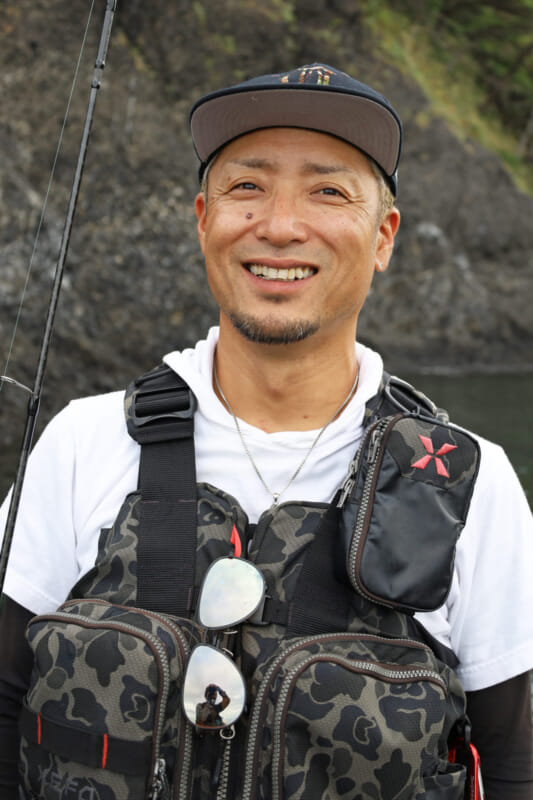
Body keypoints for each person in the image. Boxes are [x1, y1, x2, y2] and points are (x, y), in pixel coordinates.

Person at [1, 62, 532, 799]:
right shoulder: (81, 445)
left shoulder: (469, 487)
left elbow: (513, 765)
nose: (280, 226)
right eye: (246, 187)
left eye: (328, 191)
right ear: (202, 220)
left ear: (383, 237)